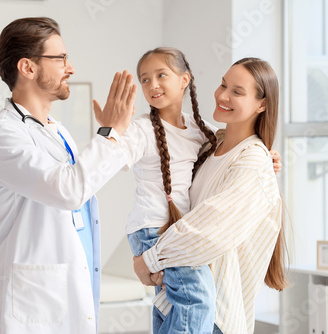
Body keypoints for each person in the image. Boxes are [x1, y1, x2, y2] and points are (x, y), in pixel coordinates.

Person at [0, 17, 137, 334]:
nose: (70, 68)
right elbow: (68, 190)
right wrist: (109, 134)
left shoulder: (56, 130)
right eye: (60, 58)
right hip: (28, 307)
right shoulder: (2, 135)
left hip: (62, 293)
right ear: (28, 68)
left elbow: (84, 177)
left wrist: (111, 133)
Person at [133, 57, 289, 334]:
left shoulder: (253, 160)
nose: (222, 95)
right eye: (223, 85)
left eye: (237, 92)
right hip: (175, 296)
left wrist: (149, 260)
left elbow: (207, 231)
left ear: (262, 104)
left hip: (213, 311)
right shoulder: (209, 144)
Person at [121, 47, 218, 334]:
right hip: (153, 229)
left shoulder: (198, 128)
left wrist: (269, 157)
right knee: (197, 302)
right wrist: (111, 128)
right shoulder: (141, 129)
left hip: (174, 229)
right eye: (145, 79)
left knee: (172, 306)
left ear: (184, 79)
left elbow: (232, 150)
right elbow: (115, 155)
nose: (152, 85)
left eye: (161, 75)